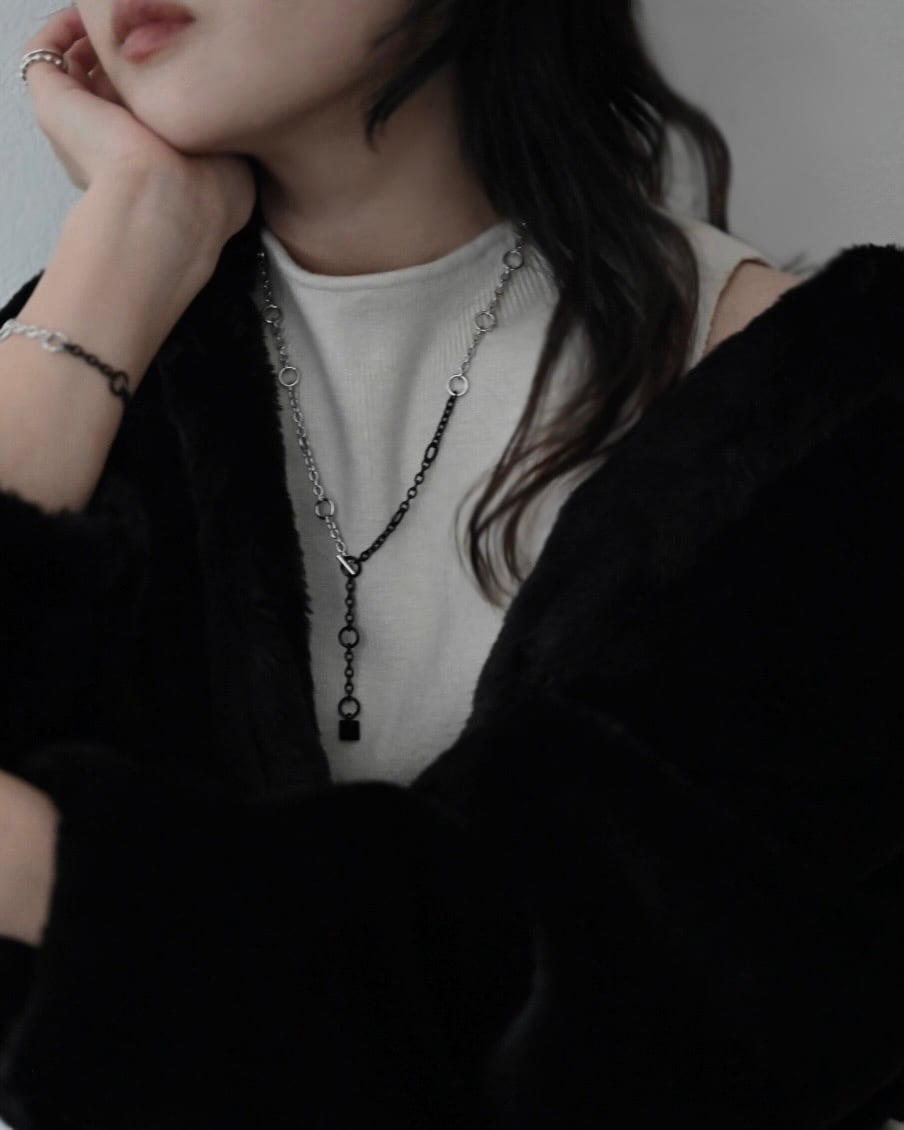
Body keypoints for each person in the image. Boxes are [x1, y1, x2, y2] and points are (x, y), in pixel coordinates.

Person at [0, 0, 902, 1127]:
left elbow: (589, 1019)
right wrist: (125, 241)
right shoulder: (86, 360)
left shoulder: (825, 408)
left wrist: (42, 872)